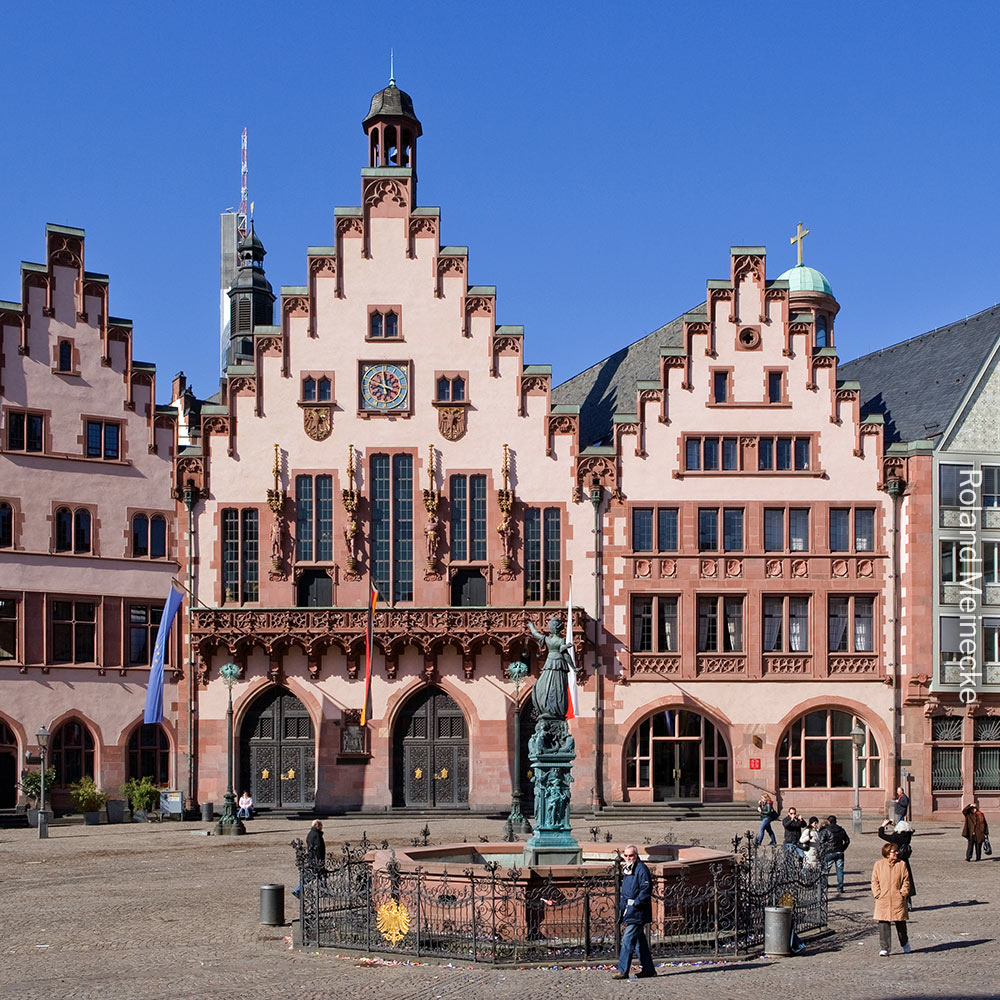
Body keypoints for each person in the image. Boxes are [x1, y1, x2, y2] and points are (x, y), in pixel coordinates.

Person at [612, 845, 656, 980]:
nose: (628, 858)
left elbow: (646, 888)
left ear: (636, 856)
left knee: (627, 940)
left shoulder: (641, 869)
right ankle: (648, 969)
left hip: (638, 911)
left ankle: (623, 970)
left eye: (631, 856)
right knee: (639, 941)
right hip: (630, 910)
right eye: (626, 856)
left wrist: (636, 903)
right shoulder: (628, 869)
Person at [871, 842, 912, 956]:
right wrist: (877, 893)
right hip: (883, 899)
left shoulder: (901, 864)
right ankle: (885, 947)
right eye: (894, 852)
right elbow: (875, 881)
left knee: (900, 924)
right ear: (887, 853)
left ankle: (905, 943)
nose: (897, 853)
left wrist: (903, 893)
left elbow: (906, 880)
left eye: (896, 851)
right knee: (883, 924)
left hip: (897, 898)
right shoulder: (878, 865)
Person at [878, 819, 916, 905]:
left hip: (896, 861)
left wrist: (883, 825)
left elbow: (881, 834)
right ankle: (908, 902)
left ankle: (898, 900)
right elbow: (903, 829)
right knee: (906, 881)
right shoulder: (908, 836)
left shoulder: (895, 838)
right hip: (905, 860)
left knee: (896, 881)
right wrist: (894, 824)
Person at [292, 819, 326, 898]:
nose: (322, 827)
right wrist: (320, 859)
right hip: (316, 859)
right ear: (316, 826)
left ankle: (324, 889)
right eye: (320, 825)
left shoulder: (311, 834)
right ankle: (297, 889)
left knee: (321, 875)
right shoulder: (316, 835)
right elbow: (318, 848)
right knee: (312, 875)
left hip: (313, 858)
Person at [819, 814, 851, 893]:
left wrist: (824, 850)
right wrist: (842, 849)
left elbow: (821, 841)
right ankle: (840, 887)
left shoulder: (826, 830)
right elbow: (847, 841)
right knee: (840, 870)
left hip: (829, 852)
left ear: (829, 821)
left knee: (825, 871)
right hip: (839, 852)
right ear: (836, 821)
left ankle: (824, 886)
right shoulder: (841, 830)